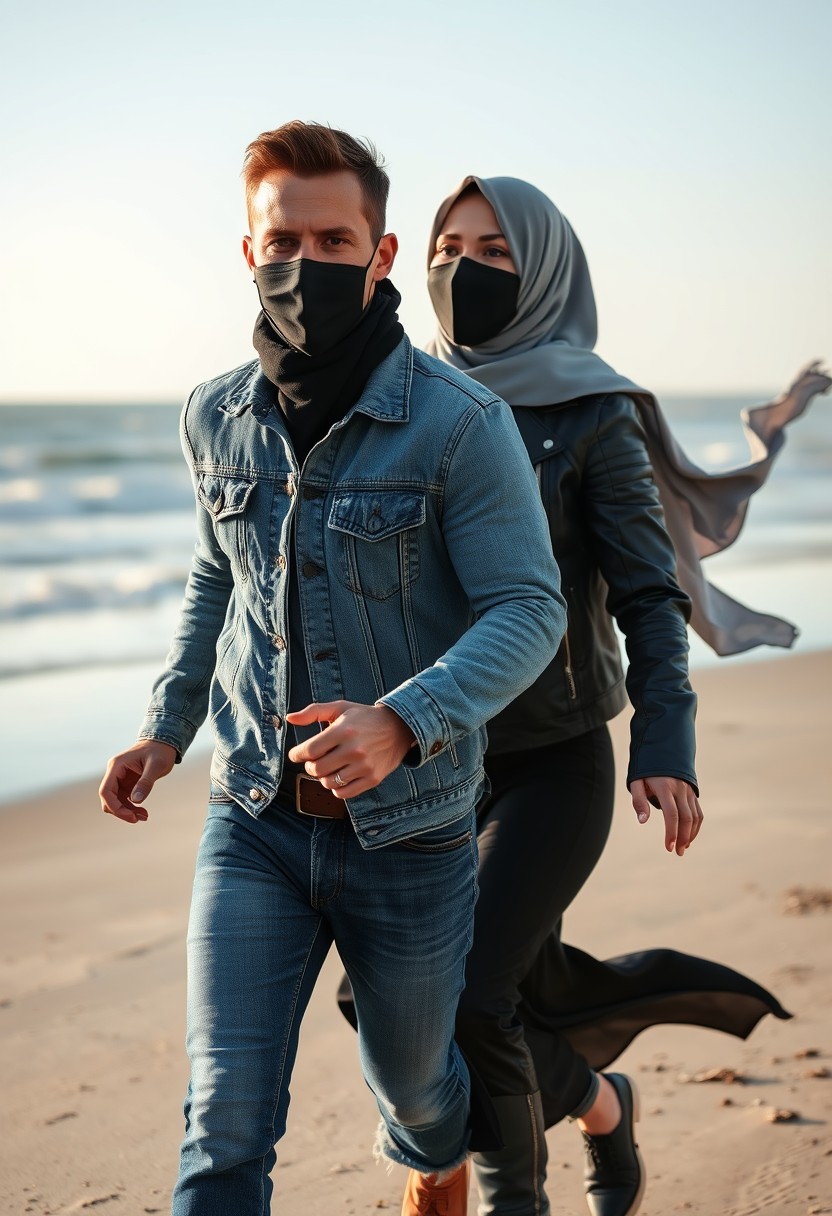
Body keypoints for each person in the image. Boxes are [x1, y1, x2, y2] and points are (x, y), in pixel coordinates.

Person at [98, 130, 568, 1215]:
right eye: (283, 239)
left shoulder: (460, 425)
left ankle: (435, 1158)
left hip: (410, 832)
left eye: (333, 238)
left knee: (412, 1087)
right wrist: (165, 725)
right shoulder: (212, 415)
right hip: (252, 816)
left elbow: (528, 607)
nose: (304, 262)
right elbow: (216, 580)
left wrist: (405, 720)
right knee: (222, 1118)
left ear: (381, 250)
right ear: (247, 251)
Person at [338, 176, 828, 1216]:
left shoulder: (595, 414)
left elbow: (648, 595)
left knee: (470, 995)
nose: (462, 268)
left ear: (549, 271)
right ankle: (600, 1102)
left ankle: (515, 1197)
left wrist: (666, 741)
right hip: (418, 754)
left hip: (550, 759)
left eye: (496, 251)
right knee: (388, 995)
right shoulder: (399, 397)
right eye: (447, 244)